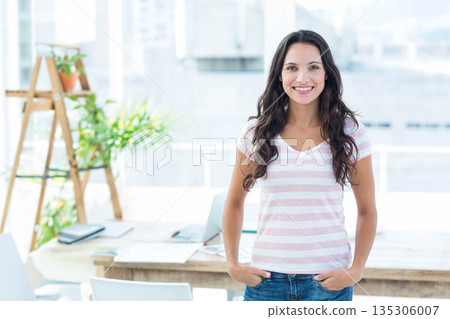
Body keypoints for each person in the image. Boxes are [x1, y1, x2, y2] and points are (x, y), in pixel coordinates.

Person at [221, 30, 377, 301]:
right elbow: (234, 201)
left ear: (326, 73)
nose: (302, 78)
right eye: (292, 68)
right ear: (280, 75)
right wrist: (233, 264)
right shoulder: (257, 133)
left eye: (313, 67)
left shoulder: (350, 132)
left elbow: (367, 211)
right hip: (267, 283)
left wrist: (356, 270)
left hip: (328, 283)